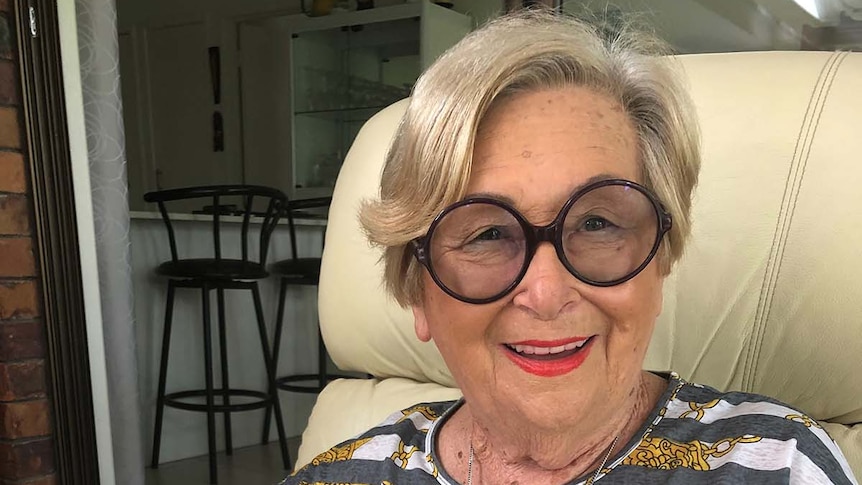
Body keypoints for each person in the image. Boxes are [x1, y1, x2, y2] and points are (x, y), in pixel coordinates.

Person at [282, 9, 859, 485]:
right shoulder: (342, 476)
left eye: (597, 224)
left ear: (660, 259)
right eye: (486, 234)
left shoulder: (777, 464)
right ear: (417, 290)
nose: (548, 293)